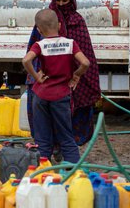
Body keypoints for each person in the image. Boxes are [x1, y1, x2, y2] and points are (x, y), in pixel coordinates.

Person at [22, 9, 90, 163]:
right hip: (61, 96)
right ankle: (71, 173)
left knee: (42, 139)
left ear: (39, 30)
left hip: (40, 96)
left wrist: (36, 77)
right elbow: (85, 62)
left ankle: (42, 174)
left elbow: (26, 61)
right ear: (59, 25)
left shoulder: (39, 45)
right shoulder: (70, 43)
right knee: (66, 137)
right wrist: (76, 75)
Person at [39, 0, 101, 145]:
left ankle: (69, 145)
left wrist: (78, 75)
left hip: (73, 76)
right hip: (53, 77)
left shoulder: (77, 21)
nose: (60, 5)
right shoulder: (47, 19)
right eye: (58, 1)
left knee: (74, 114)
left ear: (71, 1)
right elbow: (35, 49)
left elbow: (86, 55)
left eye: (64, 2)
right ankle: (56, 147)